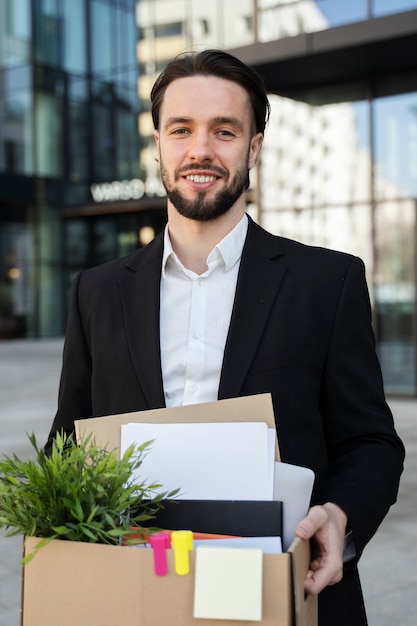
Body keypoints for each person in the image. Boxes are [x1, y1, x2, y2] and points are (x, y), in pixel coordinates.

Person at [46, 49, 404, 625]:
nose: (201, 150)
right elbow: (67, 446)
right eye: (181, 129)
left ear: (254, 147)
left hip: (284, 595)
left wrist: (340, 515)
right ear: (158, 143)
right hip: (138, 595)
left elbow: (371, 442)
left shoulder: (327, 282)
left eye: (225, 131)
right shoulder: (97, 291)